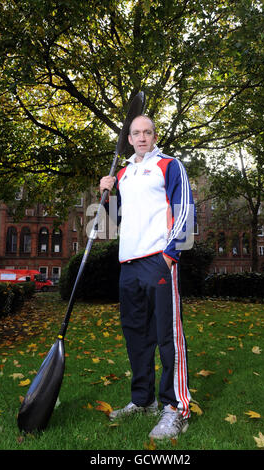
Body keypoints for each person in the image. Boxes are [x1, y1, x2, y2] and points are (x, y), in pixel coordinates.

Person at [99, 115, 195, 440]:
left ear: (155, 136)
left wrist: (171, 255)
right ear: (129, 138)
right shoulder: (123, 173)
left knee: (168, 336)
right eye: (136, 133)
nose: (142, 137)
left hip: (159, 259)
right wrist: (107, 193)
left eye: (147, 132)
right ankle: (143, 400)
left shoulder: (169, 165)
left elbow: (185, 209)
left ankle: (176, 408)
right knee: (136, 336)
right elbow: (111, 225)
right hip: (128, 263)